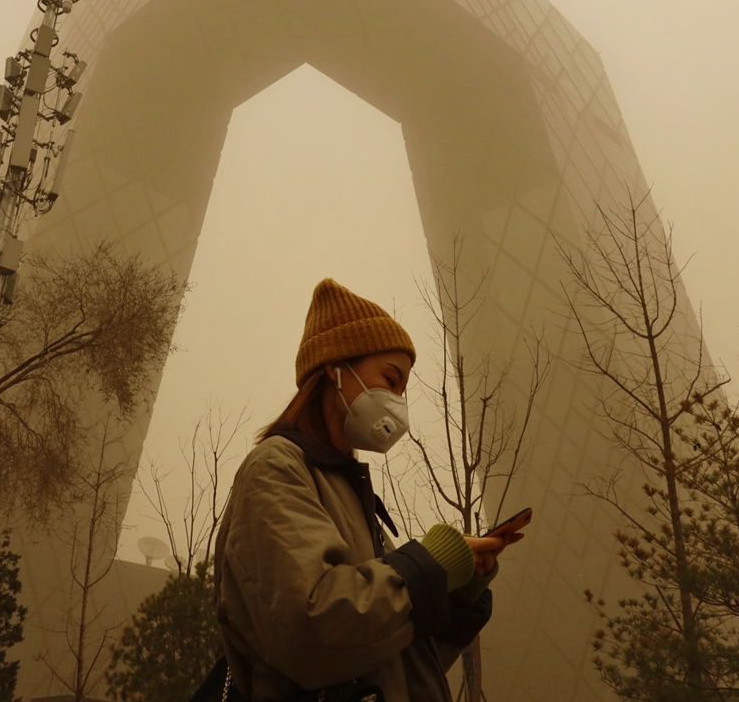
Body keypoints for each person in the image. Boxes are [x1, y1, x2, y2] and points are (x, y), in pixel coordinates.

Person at [211, 278, 523, 702]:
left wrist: (457, 586)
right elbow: (311, 629)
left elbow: (390, 663)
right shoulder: (276, 469)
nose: (397, 402)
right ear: (334, 369)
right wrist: (431, 564)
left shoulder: (352, 497)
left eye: (402, 391)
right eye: (390, 380)